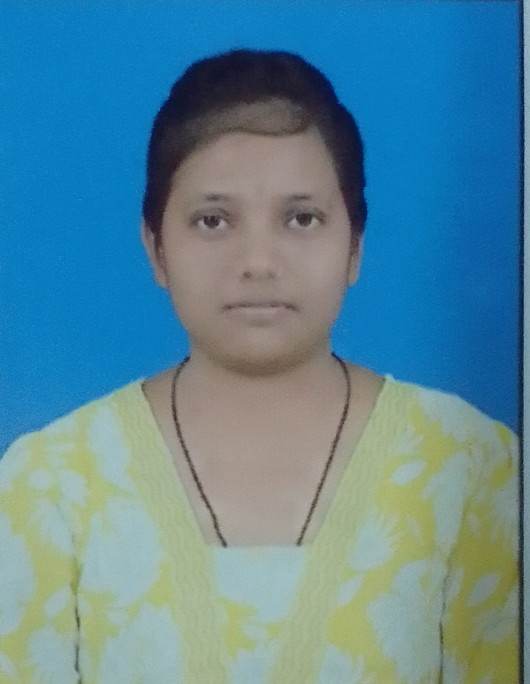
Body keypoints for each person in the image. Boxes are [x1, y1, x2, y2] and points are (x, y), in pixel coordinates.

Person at [0, 49, 518, 683]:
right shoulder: (53, 486)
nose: (258, 262)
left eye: (301, 219)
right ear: (156, 249)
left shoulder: (470, 468)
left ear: (355, 246)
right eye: (213, 220)